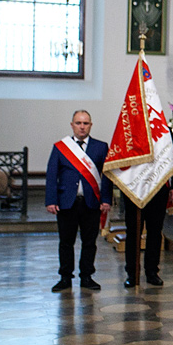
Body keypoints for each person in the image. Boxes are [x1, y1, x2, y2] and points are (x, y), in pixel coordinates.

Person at [46, 110, 113, 292]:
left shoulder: (101, 147)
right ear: (72, 125)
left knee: (89, 242)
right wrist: (51, 200)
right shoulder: (61, 147)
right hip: (67, 202)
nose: (82, 126)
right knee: (66, 242)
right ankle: (65, 278)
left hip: (91, 202)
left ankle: (87, 277)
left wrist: (106, 199)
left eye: (85, 123)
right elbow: (52, 175)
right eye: (78, 123)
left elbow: (106, 176)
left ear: (91, 125)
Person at [123, 131, 173, 288]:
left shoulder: (163, 129)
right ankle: (132, 273)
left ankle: (152, 272)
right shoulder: (128, 127)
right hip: (133, 190)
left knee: (155, 232)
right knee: (133, 232)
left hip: (158, 189)